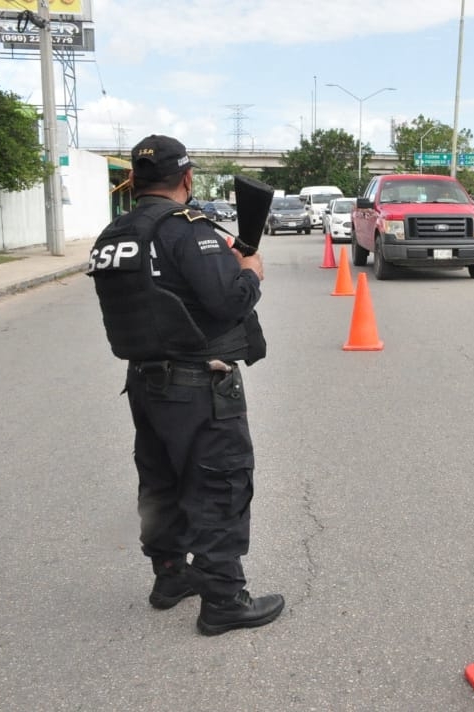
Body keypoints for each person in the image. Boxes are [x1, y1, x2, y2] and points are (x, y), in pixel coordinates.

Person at [87, 134, 284, 636]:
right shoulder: (185, 230)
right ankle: (223, 599)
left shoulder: (114, 232)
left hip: (143, 382)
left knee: (162, 481)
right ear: (187, 178)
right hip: (199, 382)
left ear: (135, 178)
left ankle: (170, 576)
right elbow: (227, 302)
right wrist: (250, 271)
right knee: (220, 483)